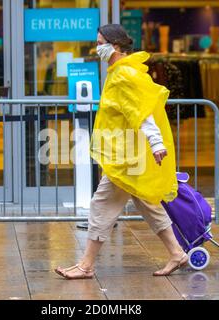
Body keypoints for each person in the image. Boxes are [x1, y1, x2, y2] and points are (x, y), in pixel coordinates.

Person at [55, 24, 188, 280]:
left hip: (126, 157)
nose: (96, 48)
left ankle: (85, 265)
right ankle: (177, 253)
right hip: (128, 152)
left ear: (114, 45)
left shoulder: (124, 74)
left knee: (101, 205)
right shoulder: (123, 70)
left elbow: (141, 109)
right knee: (147, 204)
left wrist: (156, 142)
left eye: (99, 42)